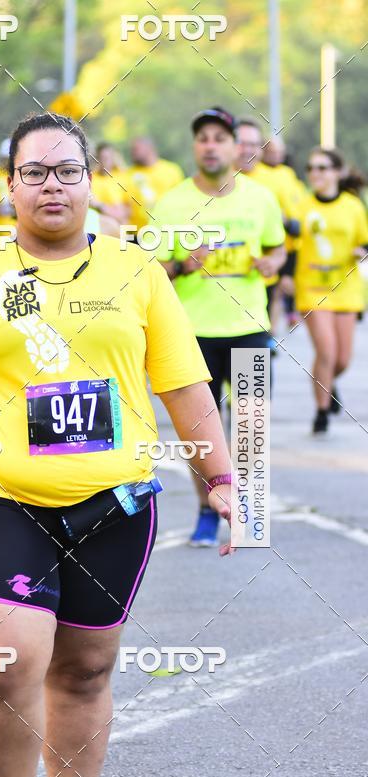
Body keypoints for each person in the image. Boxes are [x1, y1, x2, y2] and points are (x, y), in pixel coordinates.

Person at [0, 111, 235, 777]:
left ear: (92, 184)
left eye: (66, 171)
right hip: (1, 496)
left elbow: (187, 389)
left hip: (116, 503)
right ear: (9, 186)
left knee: (85, 671)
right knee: (7, 661)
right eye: (34, 172)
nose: (50, 185)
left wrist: (224, 478)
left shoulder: (137, 273)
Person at [153, 106, 285, 547]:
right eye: (203, 138)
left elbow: (277, 249)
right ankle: (207, 509)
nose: (210, 145)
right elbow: (151, 272)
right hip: (191, 333)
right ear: (196, 147)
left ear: (235, 147)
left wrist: (271, 262)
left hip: (248, 326)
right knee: (200, 434)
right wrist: (183, 265)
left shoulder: (260, 198)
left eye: (219, 138)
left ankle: (251, 518)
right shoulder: (172, 203)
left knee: (250, 426)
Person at [294, 147, 368, 434]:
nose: (316, 173)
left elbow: (364, 240)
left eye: (323, 168)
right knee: (326, 352)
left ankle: (326, 381)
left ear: (337, 172)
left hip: (346, 288)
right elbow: (288, 245)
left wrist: (361, 251)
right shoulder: (302, 206)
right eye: (311, 168)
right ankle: (322, 411)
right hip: (312, 288)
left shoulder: (352, 206)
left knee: (341, 359)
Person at [236, 121, 303, 335]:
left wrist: (275, 261)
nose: (246, 151)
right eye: (240, 143)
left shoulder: (270, 182)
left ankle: (270, 337)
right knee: (209, 370)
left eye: (252, 144)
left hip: (250, 322)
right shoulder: (204, 188)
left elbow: (281, 241)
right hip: (206, 328)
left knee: (253, 364)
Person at [126, 136, 184, 229]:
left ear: (149, 148)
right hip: (137, 233)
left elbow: (181, 201)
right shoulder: (128, 174)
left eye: (136, 149)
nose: (132, 153)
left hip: (166, 231)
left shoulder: (172, 170)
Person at [90, 143, 130, 224]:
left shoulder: (123, 176)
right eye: (103, 158)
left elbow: (129, 207)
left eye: (108, 157)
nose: (106, 161)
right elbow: (94, 203)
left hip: (123, 225)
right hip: (102, 224)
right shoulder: (92, 178)